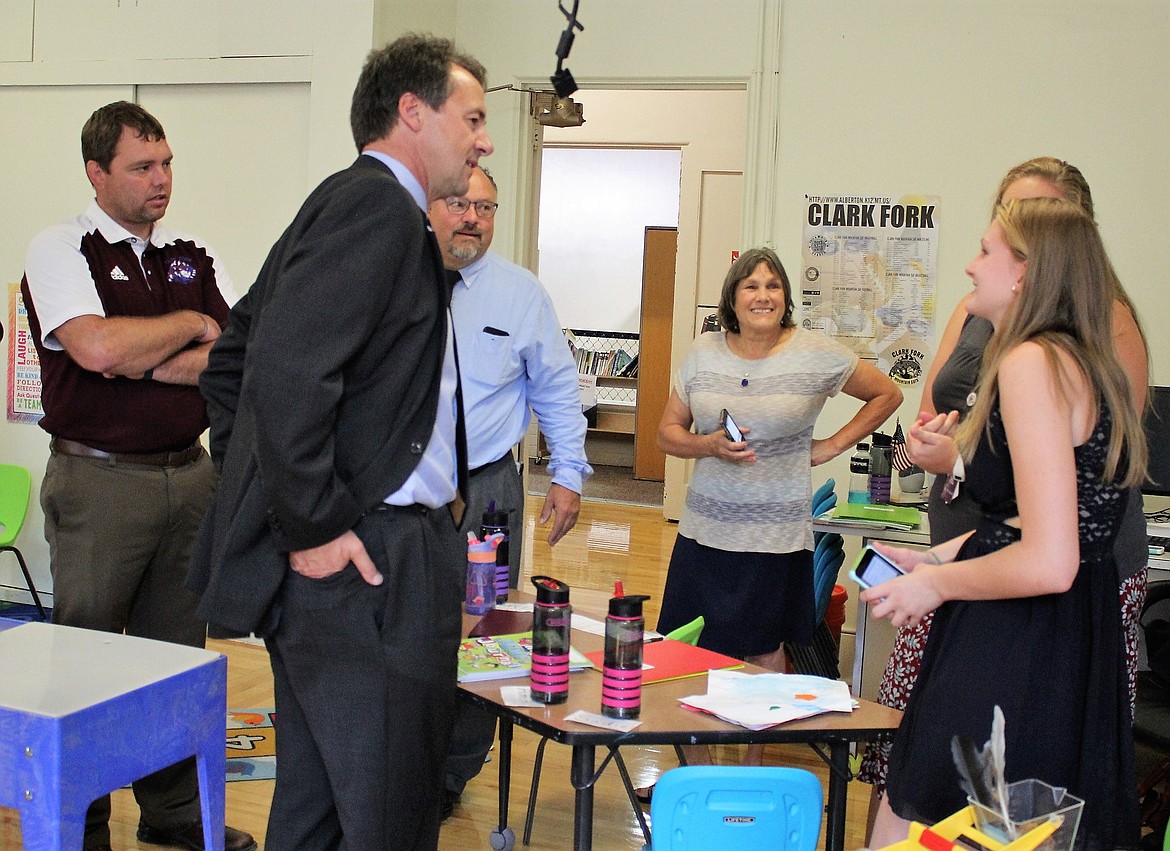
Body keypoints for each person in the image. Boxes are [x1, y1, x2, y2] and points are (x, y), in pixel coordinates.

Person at [189, 35, 493, 850]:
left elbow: (233, 362)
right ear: (412, 113)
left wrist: (279, 501)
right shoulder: (376, 209)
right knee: (389, 816)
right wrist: (314, 524)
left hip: (358, 565)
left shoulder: (348, 202)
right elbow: (283, 373)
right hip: (371, 568)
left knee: (316, 815)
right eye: (472, 118)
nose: (483, 139)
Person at [857, 157, 1150, 815]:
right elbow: (1035, 514)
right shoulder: (1065, 352)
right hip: (1039, 612)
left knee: (952, 799)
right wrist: (939, 554)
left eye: (986, 248)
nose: (969, 264)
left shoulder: (1031, 360)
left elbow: (1051, 554)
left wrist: (937, 580)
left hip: (1025, 625)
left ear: (1026, 268)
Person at [19, 101, 254, 851]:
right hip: (100, 484)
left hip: (190, 477)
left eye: (167, 163)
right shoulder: (61, 249)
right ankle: (79, 821)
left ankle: (173, 811)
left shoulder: (192, 250)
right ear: (97, 172)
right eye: (142, 167)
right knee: (82, 655)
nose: (162, 179)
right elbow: (95, 350)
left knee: (175, 658)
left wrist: (142, 352)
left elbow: (232, 357)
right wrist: (187, 326)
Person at [653, 246, 901, 767]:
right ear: (733, 299)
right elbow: (667, 433)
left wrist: (832, 445)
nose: (762, 295)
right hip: (704, 535)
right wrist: (709, 444)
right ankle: (698, 774)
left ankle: (751, 769)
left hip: (775, 538)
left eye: (772, 285)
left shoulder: (815, 353)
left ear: (785, 297)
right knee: (690, 655)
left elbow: (886, 394)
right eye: (750, 285)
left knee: (763, 657)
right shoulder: (703, 353)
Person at [428, 164, 591, 814]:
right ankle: (398, 755)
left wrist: (569, 474)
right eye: (460, 203)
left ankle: (453, 772)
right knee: (403, 621)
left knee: (483, 624)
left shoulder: (521, 293)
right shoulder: (390, 279)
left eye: (487, 206)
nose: (473, 217)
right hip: (402, 489)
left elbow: (555, 385)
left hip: (489, 493)